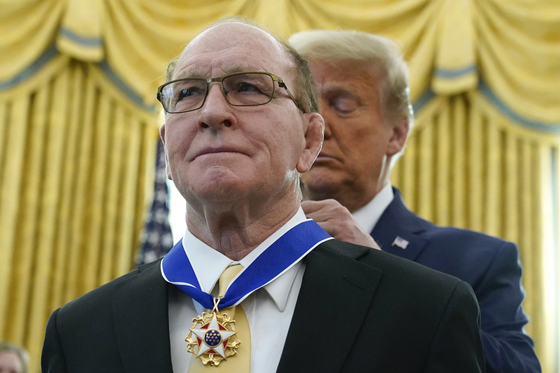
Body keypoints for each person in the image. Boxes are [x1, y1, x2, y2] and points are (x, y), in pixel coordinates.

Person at [42, 17, 485, 372]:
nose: (213, 112)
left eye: (249, 88)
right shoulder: (81, 330)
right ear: (167, 148)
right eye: (189, 92)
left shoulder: (421, 311)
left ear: (310, 141)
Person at [289, 29, 541, 373]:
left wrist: (391, 285)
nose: (317, 127)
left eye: (343, 105)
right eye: (305, 108)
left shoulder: (477, 260)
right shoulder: (240, 252)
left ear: (397, 134)